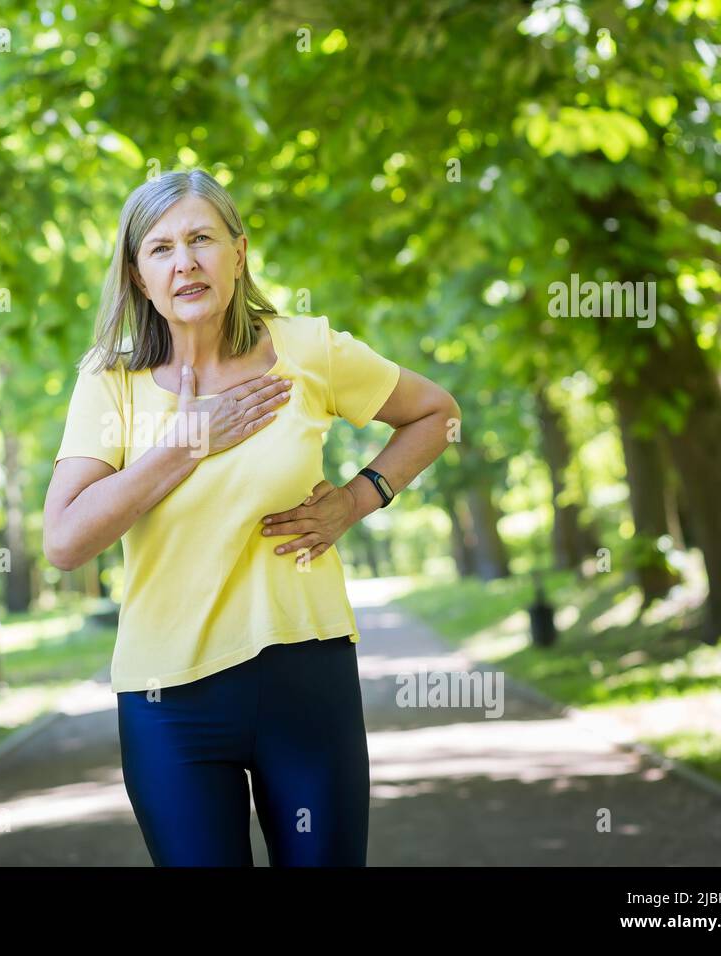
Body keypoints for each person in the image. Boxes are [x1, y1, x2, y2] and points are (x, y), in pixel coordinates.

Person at [43, 169, 460, 866]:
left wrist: (359, 498)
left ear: (238, 253)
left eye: (202, 239)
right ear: (139, 275)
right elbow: (64, 541)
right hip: (169, 702)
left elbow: (436, 414)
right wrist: (189, 439)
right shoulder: (108, 383)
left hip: (305, 678)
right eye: (162, 248)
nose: (186, 263)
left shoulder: (307, 350)